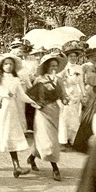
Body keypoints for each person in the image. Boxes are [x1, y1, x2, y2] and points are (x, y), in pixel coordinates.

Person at [0, 53, 39, 178]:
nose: (8, 66)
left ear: (14, 66)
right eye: (6, 64)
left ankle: (16, 166)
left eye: (11, 64)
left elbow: (21, 94)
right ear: (1, 65)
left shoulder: (16, 79)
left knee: (12, 133)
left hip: (11, 108)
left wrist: (32, 101)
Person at [27, 53, 69, 181]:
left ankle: (32, 157)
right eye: (51, 66)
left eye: (56, 66)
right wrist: (38, 105)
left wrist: (66, 99)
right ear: (46, 67)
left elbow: (64, 95)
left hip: (55, 111)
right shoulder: (40, 80)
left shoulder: (60, 80)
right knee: (47, 141)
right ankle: (55, 169)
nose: (54, 69)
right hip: (42, 113)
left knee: (50, 140)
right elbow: (32, 96)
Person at [58, 41, 86, 148]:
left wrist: (83, 94)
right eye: (71, 56)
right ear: (67, 57)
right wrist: (64, 81)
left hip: (76, 94)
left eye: (75, 56)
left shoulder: (79, 68)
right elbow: (59, 79)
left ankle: (72, 139)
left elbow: (81, 82)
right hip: (67, 93)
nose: (73, 58)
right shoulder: (64, 67)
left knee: (74, 117)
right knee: (65, 117)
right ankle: (63, 140)